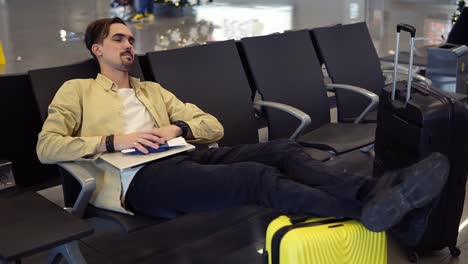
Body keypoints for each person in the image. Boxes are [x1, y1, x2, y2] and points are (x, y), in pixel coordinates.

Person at [37, 17, 449, 235]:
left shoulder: (151, 91)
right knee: (256, 177)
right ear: (97, 49)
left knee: (283, 150)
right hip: (137, 180)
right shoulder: (77, 91)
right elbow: (47, 148)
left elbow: (210, 125)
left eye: (130, 40)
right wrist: (114, 139)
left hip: (185, 156)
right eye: (118, 39)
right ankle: (374, 210)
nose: (128, 46)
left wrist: (177, 129)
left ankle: (376, 194)